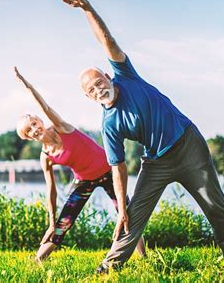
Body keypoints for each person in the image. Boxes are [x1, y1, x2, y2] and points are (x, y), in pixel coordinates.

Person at [56, 0, 224, 273]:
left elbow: (107, 41)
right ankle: (108, 267)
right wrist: (121, 205)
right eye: (92, 89)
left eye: (99, 82)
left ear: (107, 76)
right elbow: (117, 168)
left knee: (214, 205)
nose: (99, 89)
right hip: (156, 162)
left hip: (188, 145)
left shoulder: (125, 75)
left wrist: (87, 8)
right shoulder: (109, 125)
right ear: (89, 97)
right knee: (130, 217)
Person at [14, 67, 146, 262]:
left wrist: (27, 86)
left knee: (126, 213)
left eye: (34, 123)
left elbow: (46, 108)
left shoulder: (61, 128)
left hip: (109, 171)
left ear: (40, 121)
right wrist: (51, 223)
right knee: (63, 223)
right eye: (29, 130)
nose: (35, 129)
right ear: (27, 137)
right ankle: (37, 261)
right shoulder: (46, 157)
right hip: (85, 180)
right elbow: (51, 191)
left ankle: (143, 258)